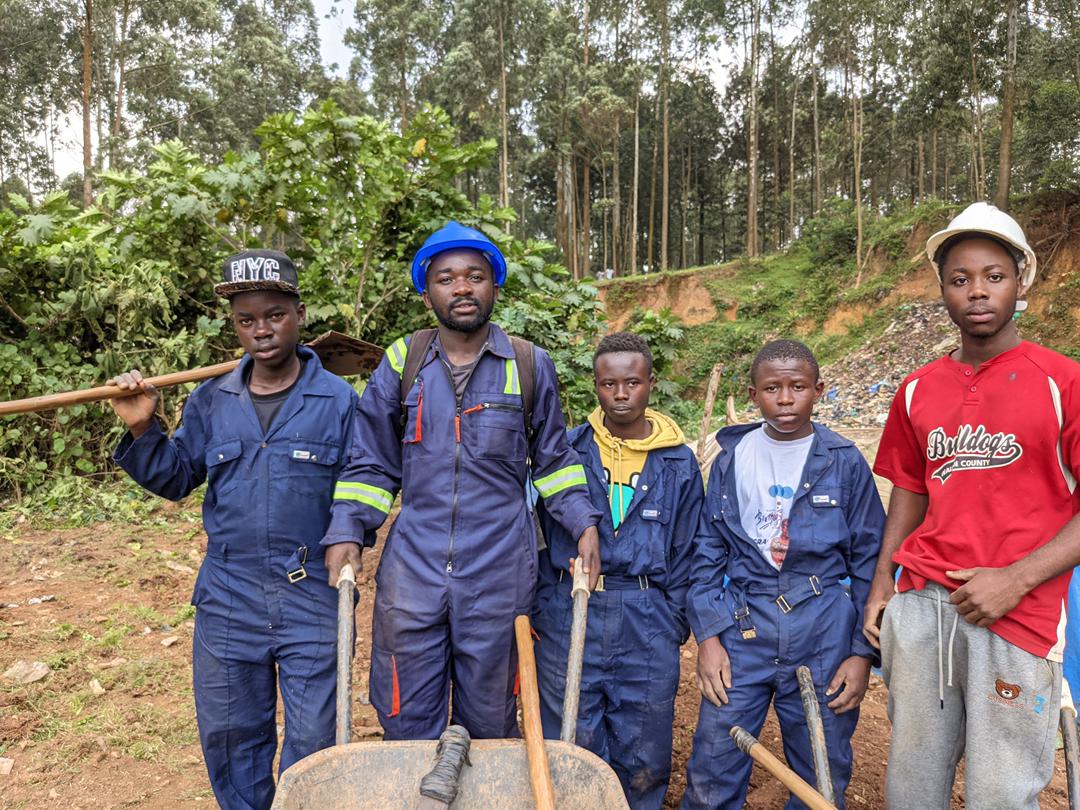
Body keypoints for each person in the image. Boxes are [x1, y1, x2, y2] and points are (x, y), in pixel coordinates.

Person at [321, 221, 602, 740]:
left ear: (494, 286)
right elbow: (371, 463)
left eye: (475, 276)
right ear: (428, 294)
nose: (462, 287)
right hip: (414, 570)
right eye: (447, 278)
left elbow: (554, 459)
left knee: (492, 718)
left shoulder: (528, 363)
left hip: (500, 570)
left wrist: (583, 522)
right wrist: (347, 530)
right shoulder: (402, 362)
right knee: (406, 714)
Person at [109, 250, 359, 810]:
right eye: (247, 320)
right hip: (228, 594)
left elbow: (364, 484)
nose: (262, 330)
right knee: (231, 736)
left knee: (316, 741)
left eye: (274, 315)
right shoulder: (211, 400)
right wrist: (144, 425)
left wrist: (351, 536)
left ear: (299, 314)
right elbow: (176, 479)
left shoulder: (340, 403)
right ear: (235, 326)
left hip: (311, 592)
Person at [865, 202, 1080, 808]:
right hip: (922, 610)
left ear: (1020, 281)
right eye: (959, 280)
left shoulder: (1062, 382)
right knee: (911, 782)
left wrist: (1016, 579)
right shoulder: (915, 391)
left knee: (1000, 793)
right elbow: (908, 490)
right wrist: (884, 584)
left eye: (994, 275)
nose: (977, 292)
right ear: (941, 291)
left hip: (1018, 615)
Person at [682, 339, 884, 809]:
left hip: (823, 627)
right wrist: (709, 639)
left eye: (798, 387)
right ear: (753, 395)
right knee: (714, 759)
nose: (786, 399)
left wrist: (860, 655)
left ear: (819, 389)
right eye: (773, 388)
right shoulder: (732, 457)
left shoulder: (843, 459)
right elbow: (708, 551)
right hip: (742, 625)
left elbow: (870, 560)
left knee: (821, 765)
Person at [532, 332, 703, 809]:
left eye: (633, 382)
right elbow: (540, 531)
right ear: (596, 386)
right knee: (570, 737)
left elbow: (689, 548)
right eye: (609, 384)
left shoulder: (678, 463)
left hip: (646, 618)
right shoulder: (565, 452)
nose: (621, 395)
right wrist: (544, 604)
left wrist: (671, 620)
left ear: (652, 383)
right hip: (571, 609)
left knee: (643, 746)